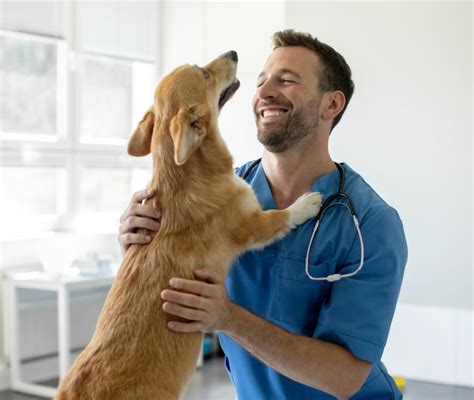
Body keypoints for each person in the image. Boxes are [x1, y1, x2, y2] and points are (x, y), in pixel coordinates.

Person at [118, 30, 408, 399]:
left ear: (331, 105)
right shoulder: (213, 197)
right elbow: (168, 295)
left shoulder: (370, 223)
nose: (265, 92)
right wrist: (137, 244)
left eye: (286, 80)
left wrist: (228, 318)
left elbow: (345, 377)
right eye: (261, 82)